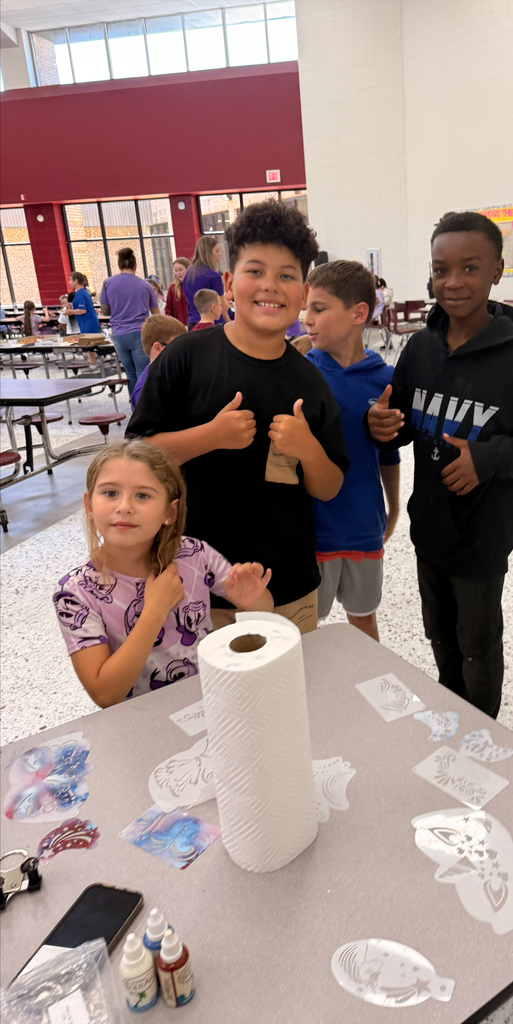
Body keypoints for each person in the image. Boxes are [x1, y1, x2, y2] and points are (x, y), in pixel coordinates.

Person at [366, 210, 513, 719]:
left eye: (469, 268)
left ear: (498, 270)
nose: (452, 283)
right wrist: (387, 425)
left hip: (482, 536)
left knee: (477, 644)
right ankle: (451, 714)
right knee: (440, 635)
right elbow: (407, 420)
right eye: (440, 269)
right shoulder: (421, 347)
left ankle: (481, 730)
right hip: (429, 527)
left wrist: (488, 458)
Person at [127, 199, 349, 635]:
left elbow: (331, 485)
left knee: (288, 695)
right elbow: (137, 457)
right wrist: (209, 436)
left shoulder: (311, 382)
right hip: (192, 585)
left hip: (284, 583)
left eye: (286, 275)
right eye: (255, 271)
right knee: (199, 699)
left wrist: (307, 450)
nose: (270, 286)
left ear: (303, 293)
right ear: (229, 282)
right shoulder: (184, 358)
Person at [54, 440, 273, 708]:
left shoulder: (195, 555)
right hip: (139, 720)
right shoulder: (75, 593)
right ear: (89, 505)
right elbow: (105, 695)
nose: (124, 507)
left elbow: (266, 607)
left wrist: (252, 600)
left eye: (142, 495)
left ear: (170, 511)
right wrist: (155, 610)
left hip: (211, 701)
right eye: (110, 493)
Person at [304, 260, 400, 642]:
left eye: (319, 308)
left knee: (363, 621)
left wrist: (392, 508)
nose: (306, 319)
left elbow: (389, 452)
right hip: (312, 531)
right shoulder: (301, 375)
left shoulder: (386, 380)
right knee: (305, 631)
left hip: (363, 525)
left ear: (359, 313)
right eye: (306, 308)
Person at [100, 248, 159, 395]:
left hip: (119, 334)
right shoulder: (146, 285)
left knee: (131, 375)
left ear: (119, 265)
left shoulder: (108, 283)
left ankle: (134, 407)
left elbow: (105, 311)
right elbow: (156, 314)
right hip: (140, 332)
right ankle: (145, 407)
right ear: (135, 265)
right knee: (143, 374)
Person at [131, 314, 187, 410]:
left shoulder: (170, 374)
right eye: (179, 346)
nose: (185, 351)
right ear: (158, 348)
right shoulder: (146, 391)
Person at [183, 237, 232, 331]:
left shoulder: (189, 273)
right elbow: (223, 307)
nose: (220, 254)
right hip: (213, 324)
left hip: (193, 322)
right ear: (208, 253)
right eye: (217, 251)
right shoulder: (213, 276)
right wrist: (230, 322)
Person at [165, 258, 190, 326]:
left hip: (193, 324)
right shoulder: (173, 288)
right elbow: (169, 309)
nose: (178, 273)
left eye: (180, 270)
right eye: (176, 271)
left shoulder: (194, 285)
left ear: (188, 269)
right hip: (179, 326)